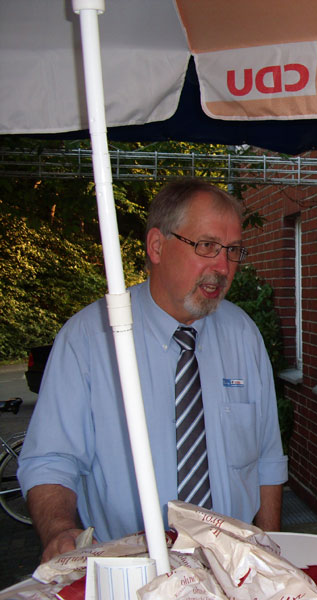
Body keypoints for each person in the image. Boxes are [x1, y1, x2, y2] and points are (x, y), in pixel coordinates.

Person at [19, 179, 288, 561]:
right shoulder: (91, 337)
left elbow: (266, 461)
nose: (223, 267)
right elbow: (50, 460)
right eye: (207, 246)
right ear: (157, 246)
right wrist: (60, 532)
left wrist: (271, 554)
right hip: (131, 567)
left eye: (232, 251)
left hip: (234, 565)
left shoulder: (242, 334)